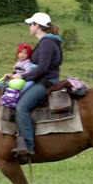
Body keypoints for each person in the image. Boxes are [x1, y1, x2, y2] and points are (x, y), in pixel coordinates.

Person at [9, 12, 63, 156]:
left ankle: (28, 146)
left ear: (37, 26)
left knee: (22, 107)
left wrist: (22, 76)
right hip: (39, 80)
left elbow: (42, 68)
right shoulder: (46, 42)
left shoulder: (47, 43)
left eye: (30, 25)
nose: (29, 28)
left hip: (45, 82)